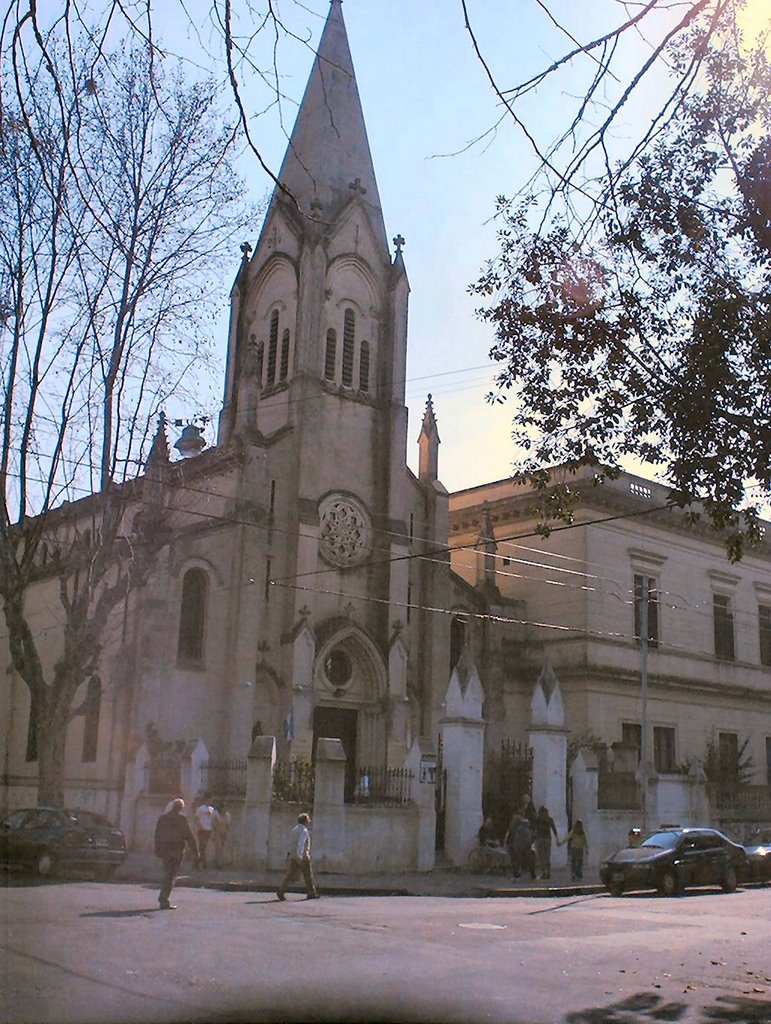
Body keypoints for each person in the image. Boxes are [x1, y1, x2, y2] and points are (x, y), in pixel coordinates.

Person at [153, 798, 198, 910]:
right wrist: (195, 851)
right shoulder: (181, 819)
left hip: (165, 849)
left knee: (168, 873)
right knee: (171, 875)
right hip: (176, 850)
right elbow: (188, 836)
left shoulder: (163, 818)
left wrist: (157, 849)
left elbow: (157, 835)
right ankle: (164, 899)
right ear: (180, 808)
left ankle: (163, 898)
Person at [277, 812, 318, 901]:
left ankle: (281, 891)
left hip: (294, 855)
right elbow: (301, 843)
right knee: (308, 875)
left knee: (290, 875)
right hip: (303, 856)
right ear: (305, 821)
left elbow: (291, 842)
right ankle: (311, 893)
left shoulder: (294, 829)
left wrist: (292, 854)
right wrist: (300, 855)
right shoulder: (304, 831)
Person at [505, 811, 535, 880]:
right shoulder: (524, 829)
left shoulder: (514, 829)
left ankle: (516, 873)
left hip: (517, 846)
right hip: (523, 846)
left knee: (517, 860)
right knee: (527, 860)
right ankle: (531, 873)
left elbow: (511, 838)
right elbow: (528, 838)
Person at [533, 805, 559, 879]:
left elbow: (535, 830)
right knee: (547, 857)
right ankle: (548, 872)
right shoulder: (549, 819)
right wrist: (557, 839)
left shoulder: (538, 819)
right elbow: (554, 829)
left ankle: (543, 872)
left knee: (541, 857)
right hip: (548, 839)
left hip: (540, 839)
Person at [194, 797, 216, 869]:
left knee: (204, 847)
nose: (210, 802)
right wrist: (200, 826)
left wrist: (212, 828)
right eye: (210, 800)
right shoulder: (200, 808)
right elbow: (196, 818)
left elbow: (211, 819)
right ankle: (202, 863)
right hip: (202, 829)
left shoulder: (211, 809)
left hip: (208, 829)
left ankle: (198, 862)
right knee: (202, 846)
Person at [213, 802, 231, 869]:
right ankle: (217, 863)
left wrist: (228, 834)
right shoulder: (216, 815)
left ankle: (221, 863)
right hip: (218, 832)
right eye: (223, 807)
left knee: (223, 849)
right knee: (218, 848)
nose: (225, 809)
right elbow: (214, 825)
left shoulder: (227, 815)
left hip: (224, 833)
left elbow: (228, 826)